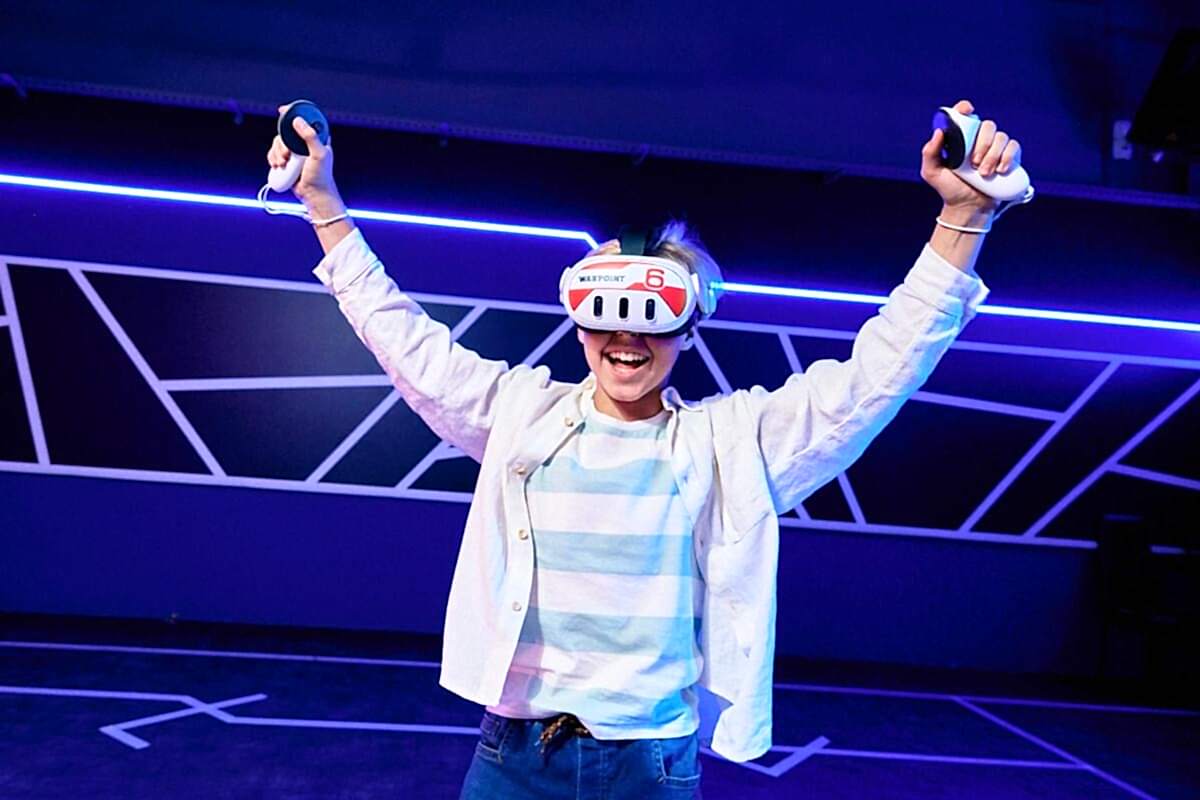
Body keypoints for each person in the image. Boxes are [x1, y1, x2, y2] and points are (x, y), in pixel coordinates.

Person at [267, 99, 1019, 799]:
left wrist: (964, 219)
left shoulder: (729, 444)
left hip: (650, 763)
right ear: (579, 324)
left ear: (687, 329)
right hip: (512, 754)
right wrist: (322, 202)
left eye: (653, 317)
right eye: (605, 316)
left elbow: (871, 380)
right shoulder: (520, 415)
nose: (626, 337)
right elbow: (405, 341)